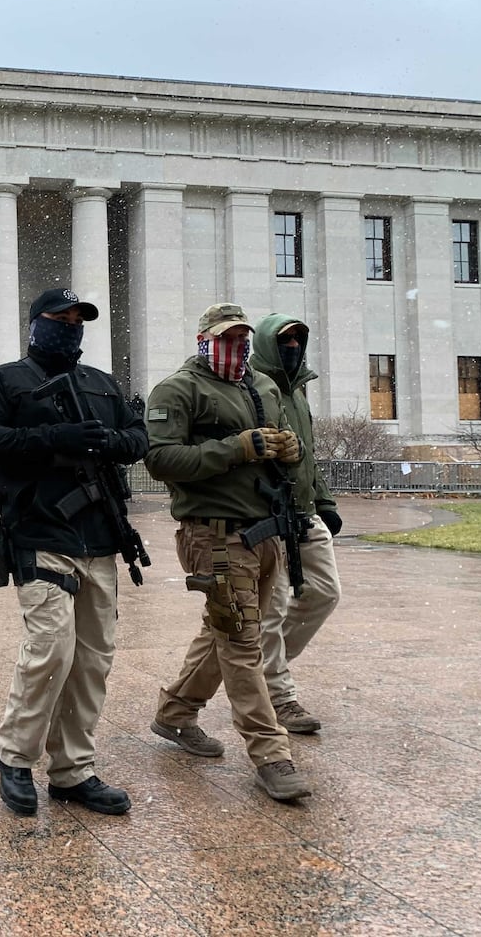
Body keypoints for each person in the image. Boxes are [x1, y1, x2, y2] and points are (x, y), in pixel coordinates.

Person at [0, 287, 146, 817]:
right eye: (60, 317)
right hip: (41, 533)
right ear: (36, 323)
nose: (70, 325)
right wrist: (54, 437)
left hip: (100, 539)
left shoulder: (102, 384)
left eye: (78, 319)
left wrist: (106, 443)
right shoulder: (5, 380)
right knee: (52, 650)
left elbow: (138, 437)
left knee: (92, 660)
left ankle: (72, 770)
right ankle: (15, 757)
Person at [144, 303, 311, 803]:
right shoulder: (179, 389)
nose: (235, 347)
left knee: (225, 631)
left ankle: (174, 714)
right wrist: (236, 448)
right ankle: (271, 755)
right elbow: (159, 459)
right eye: (225, 338)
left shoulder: (259, 386)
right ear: (203, 338)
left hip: (266, 534)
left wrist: (291, 449)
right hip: (214, 538)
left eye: (242, 338)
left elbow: (288, 445)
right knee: (241, 644)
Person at [249, 313, 343, 734]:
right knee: (270, 610)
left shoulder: (299, 391)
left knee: (324, 593)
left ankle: (266, 666)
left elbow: (307, 454)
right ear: (269, 344)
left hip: (304, 513)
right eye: (284, 341)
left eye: (297, 342)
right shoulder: (250, 385)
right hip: (267, 514)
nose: (292, 348)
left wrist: (324, 501)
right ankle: (278, 694)